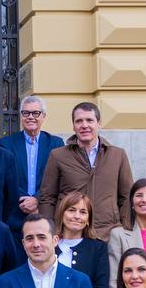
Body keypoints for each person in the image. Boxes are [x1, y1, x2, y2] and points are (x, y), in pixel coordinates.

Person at [38, 102, 133, 238]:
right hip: (69, 235)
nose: (84, 125)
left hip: (108, 235)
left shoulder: (117, 156)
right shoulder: (58, 156)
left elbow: (126, 197)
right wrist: (51, 232)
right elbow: (47, 198)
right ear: (73, 126)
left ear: (99, 123)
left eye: (89, 120)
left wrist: (125, 231)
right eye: (79, 121)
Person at [0, 95, 64, 233]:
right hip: (15, 215)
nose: (30, 117)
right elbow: (5, 178)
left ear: (44, 116)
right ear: (21, 116)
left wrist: (36, 200)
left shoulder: (56, 144)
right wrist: (24, 201)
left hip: (46, 213)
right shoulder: (6, 144)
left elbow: (58, 178)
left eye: (36, 113)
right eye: (26, 113)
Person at [50, 192, 110, 288]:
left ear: (88, 219)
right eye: (71, 210)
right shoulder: (49, 245)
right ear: (62, 214)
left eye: (83, 212)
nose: (77, 216)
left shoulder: (98, 248)